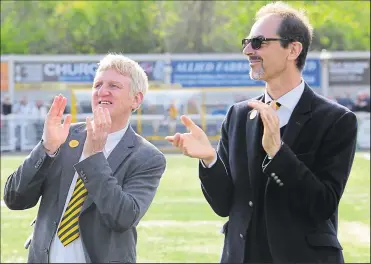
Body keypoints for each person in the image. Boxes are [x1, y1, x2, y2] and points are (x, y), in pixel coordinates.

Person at [166, 2, 358, 263]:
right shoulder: (238, 114)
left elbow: (322, 205)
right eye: (247, 42)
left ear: (293, 49)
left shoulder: (337, 120)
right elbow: (224, 206)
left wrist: (277, 153)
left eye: (258, 42)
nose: (248, 50)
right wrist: (209, 160)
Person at [4, 53, 166, 263]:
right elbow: (15, 199)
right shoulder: (64, 136)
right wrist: (47, 148)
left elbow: (122, 217)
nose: (102, 91)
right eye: (97, 84)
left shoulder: (147, 157)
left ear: (136, 99)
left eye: (114, 86)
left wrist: (94, 157)